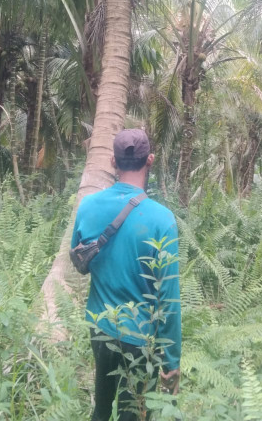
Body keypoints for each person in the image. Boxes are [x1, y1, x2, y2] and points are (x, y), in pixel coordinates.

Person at [71, 129, 181, 421]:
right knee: (132, 413)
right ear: (151, 160)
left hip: (100, 326)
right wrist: (171, 360)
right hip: (141, 335)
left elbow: (78, 257)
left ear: (112, 161)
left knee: (102, 406)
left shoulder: (88, 206)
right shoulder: (162, 219)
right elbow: (168, 297)